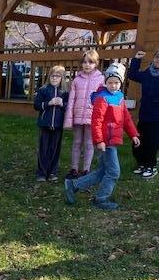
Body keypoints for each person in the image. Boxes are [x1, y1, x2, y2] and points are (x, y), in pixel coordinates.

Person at [64, 62, 140, 210]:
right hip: (105, 141)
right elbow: (96, 121)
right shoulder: (102, 98)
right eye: (110, 82)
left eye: (116, 82)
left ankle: (73, 185)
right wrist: (99, 140)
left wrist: (133, 134)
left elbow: (126, 118)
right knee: (114, 172)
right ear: (105, 82)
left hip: (112, 140)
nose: (113, 86)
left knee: (102, 171)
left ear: (121, 83)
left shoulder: (119, 97)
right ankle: (101, 199)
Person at [64, 49, 104, 178]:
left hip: (92, 117)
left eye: (90, 62)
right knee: (76, 142)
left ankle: (86, 170)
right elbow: (71, 100)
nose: (87, 65)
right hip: (77, 116)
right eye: (85, 62)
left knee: (89, 143)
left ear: (96, 63)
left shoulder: (101, 80)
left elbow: (102, 101)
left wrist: (99, 118)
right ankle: (74, 169)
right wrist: (69, 118)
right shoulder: (77, 80)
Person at [127, 48, 159, 179]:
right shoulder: (147, 73)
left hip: (156, 117)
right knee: (139, 141)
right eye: (157, 57)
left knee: (152, 143)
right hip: (144, 114)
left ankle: (151, 166)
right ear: (154, 58)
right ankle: (141, 164)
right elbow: (132, 75)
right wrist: (136, 59)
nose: (158, 60)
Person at [33, 65, 68, 182]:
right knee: (43, 149)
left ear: (62, 78)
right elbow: (36, 105)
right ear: (49, 77)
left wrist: (62, 104)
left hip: (58, 125)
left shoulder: (64, 92)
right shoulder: (43, 90)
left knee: (55, 149)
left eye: (57, 76)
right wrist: (49, 103)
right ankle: (42, 173)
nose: (54, 78)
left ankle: (53, 172)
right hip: (45, 124)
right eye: (52, 76)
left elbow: (68, 107)